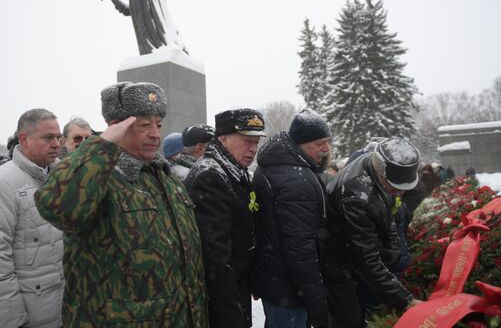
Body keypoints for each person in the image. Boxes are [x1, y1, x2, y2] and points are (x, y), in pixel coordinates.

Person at [34, 82, 208, 327]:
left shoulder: (167, 178)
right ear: (116, 128)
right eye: (144, 125)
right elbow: (57, 206)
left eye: (158, 124)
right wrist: (103, 145)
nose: (156, 134)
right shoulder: (98, 176)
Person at [322, 137, 423, 328]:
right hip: (339, 262)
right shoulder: (357, 198)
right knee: (350, 319)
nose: (399, 193)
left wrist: (393, 249)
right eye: (395, 187)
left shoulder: (375, 165)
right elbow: (365, 260)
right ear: (380, 171)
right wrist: (406, 300)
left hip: (356, 250)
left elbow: (388, 213)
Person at [185, 109, 266, 328]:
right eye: (247, 141)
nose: (253, 149)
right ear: (223, 138)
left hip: (236, 289)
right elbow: (215, 256)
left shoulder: (233, 170)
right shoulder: (210, 175)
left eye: (256, 142)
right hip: (221, 299)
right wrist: (231, 314)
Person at [252, 109, 331, 328]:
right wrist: (317, 302)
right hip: (290, 291)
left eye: (327, 142)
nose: (325, 149)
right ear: (300, 144)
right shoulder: (297, 180)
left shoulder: (277, 166)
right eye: (319, 143)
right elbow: (300, 250)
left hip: (277, 284)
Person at [0, 109, 64, 328]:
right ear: (24, 139)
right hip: (30, 315)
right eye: (48, 137)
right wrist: (12, 320)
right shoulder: (5, 182)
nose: (56, 143)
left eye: (58, 136)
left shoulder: (64, 178)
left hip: (66, 308)